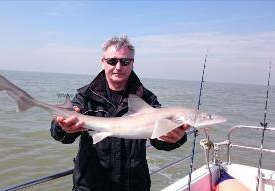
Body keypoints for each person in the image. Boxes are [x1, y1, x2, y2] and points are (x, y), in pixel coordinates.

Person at [50, 36, 189, 191]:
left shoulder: (147, 99)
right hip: (90, 185)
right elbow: (62, 137)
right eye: (112, 61)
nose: (118, 67)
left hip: (134, 186)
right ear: (103, 62)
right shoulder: (85, 96)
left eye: (125, 61)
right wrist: (61, 126)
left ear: (132, 63)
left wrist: (175, 138)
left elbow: (159, 142)